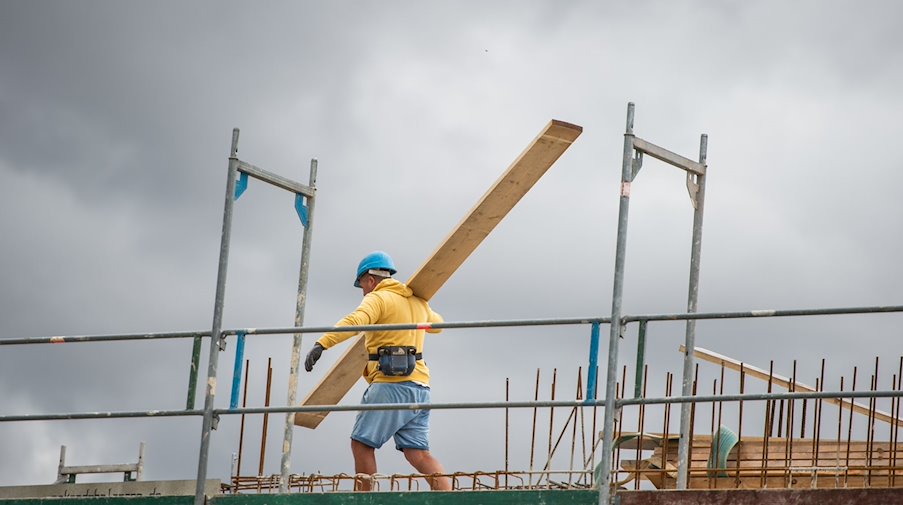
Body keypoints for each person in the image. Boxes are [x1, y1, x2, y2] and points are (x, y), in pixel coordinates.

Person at [304, 251, 451, 491]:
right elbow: (439, 326)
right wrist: (416, 312)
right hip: (420, 388)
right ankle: (449, 498)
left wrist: (323, 343)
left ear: (370, 280)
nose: (362, 291)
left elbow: (356, 321)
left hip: (390, 385)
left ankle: (366, 500)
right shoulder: (416, 302)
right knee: (418, 453)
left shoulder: (378, 298)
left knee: (361, 445)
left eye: (361, 284)